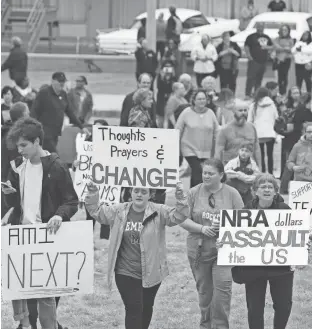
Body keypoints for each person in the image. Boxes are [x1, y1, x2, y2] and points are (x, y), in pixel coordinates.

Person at [2, 117, 78, 329]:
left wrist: (59, 215)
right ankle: (25, 325)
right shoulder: (17, 167)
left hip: (48, 239)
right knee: (21, 291)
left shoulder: (57, 167)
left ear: (37, 142)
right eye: (17, 146)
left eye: (24, 145)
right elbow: (14, 206)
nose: (20, 151)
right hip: (22, 238)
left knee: (46, 296)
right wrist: (9, 195)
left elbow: (72, 201)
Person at [83, 180, 189, 329]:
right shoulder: (119, 210)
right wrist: (93, 193)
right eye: (136, 191)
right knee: (133, 309)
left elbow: (179, 216)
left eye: (144, 192)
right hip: (125, 271)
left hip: (152, 272)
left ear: (151, 194)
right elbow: (97, 212)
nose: (139, 194)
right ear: (130, 192)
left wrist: (181, 198)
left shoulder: (159, 211)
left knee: (146, 308)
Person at [179, 159, 244, 329]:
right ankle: (205, 325)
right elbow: (181, 218)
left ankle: (221, 326)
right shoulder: (193, 192)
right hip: (199, 251)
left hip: (224, 250)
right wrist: (201, 228)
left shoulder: (232, 194)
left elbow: (243, 221)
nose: (206, 176)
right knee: (205, 293)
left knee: (222, 292)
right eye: (204, 173)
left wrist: (225, 226)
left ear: (221, 175)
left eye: (210, 173)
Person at [240, 174, 294, 329]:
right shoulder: (247, 210)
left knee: (283, 305)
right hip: (254, 267)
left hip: (280, 265)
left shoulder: (285, 210)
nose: (267, 189)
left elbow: (295, 234)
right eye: (262, 186)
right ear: (255, 191)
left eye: (270, 187)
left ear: (276, 191)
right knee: (254, 307)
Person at [31, 72, 88, 153]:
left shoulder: (63, 94)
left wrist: (81, 127)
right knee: (54, 156)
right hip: (44, 133)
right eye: (60, 81)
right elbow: (34, 112)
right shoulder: (43, 93)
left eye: (63, 81)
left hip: (56, 133)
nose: (62, 83)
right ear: (53, 81)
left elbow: (70, 112)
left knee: (47, 158)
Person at [175, 90, 219, 187]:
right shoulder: (186, 112)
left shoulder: (210, 113)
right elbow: (178, 129)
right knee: (197, 171)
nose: (201, 101)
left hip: (206, 151)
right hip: (189, 148)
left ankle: (193, 197)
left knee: (199, 174)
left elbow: (217, 131)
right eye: (199, 99)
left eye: (203, 99)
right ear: (194, 100)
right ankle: (195, 197)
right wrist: (175, 147)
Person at [279, 89, 312, 193]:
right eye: (294, 93)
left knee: (293, 164)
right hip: (294, 140)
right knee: (293, 164)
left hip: (295, 140)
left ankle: (286, 188)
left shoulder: (297, 110)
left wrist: (294, 127)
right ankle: (288, 188)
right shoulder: (291, 109)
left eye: (298, 93)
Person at [1, 102, 29, 218]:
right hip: (10, 182)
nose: (29, 116)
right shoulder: (14, 137)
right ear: (22, 116)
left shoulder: (7, 133)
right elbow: (15, 162)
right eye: (27, 113)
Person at [215, 99, 262, 166]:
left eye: (245, 110)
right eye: (240, 110)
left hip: (249, 168)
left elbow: (257, 149)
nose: (243, 113)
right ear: (234, 112)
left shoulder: (252, 127)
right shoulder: (224, 130)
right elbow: (218, 152)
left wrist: (259, 167)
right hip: (231, 169)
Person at [248, 87, 278, 174]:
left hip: (258, 134)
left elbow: (249, 121)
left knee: (260, 156)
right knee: (270, 155)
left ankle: (262, 172)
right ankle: (271, 173)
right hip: (270, 133)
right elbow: (276, 117)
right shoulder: (272, 105)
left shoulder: (253, 106)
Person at [244, 23, 273, 99]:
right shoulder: (251, 37)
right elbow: (246, 46)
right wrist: (249, 56)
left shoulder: (267, 37)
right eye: (259, 26)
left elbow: (272, 46)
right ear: (256, 27)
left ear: (264, 27)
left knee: (259, 79)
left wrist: (268, 51)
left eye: (262, 26)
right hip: (253, 61)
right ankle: (247, 94)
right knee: (250, 78)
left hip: (263, 62)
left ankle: (256, 94)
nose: (260, 28)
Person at [291, 31, 312, 97]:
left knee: (307, 79)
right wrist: (297, 49)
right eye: (304, 35)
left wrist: (301, 49)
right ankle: (298, 95)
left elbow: (311, 50)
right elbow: (293, 50)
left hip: (308, 63)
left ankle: (309, 94)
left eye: (307, 35)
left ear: (309, 36)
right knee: (298, 79)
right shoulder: (298, 43)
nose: (305, 36)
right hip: (298, 64)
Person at [273, 24, 294, 95]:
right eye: (283, 30)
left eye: (286, 30)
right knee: (279, 76)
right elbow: (276, 47)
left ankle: (284, 92)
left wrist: (283, 49)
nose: (284, 31)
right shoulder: (277, 39)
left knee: (285, 76)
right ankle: (280, 91)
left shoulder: (290, 40)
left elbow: (291, 49)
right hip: (279, 60)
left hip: (287, 60)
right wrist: (285, 48)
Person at [156, 62, 177, 126]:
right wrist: (162, 78)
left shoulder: (174, 77)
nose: (168, 69)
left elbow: (174, 88)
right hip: (161, 99)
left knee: (170, 119)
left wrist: (173, 76)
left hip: (170, 98)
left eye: (169, 67)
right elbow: (159, 87)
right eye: (166, 67)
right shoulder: (160, 77)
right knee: (161, 119)